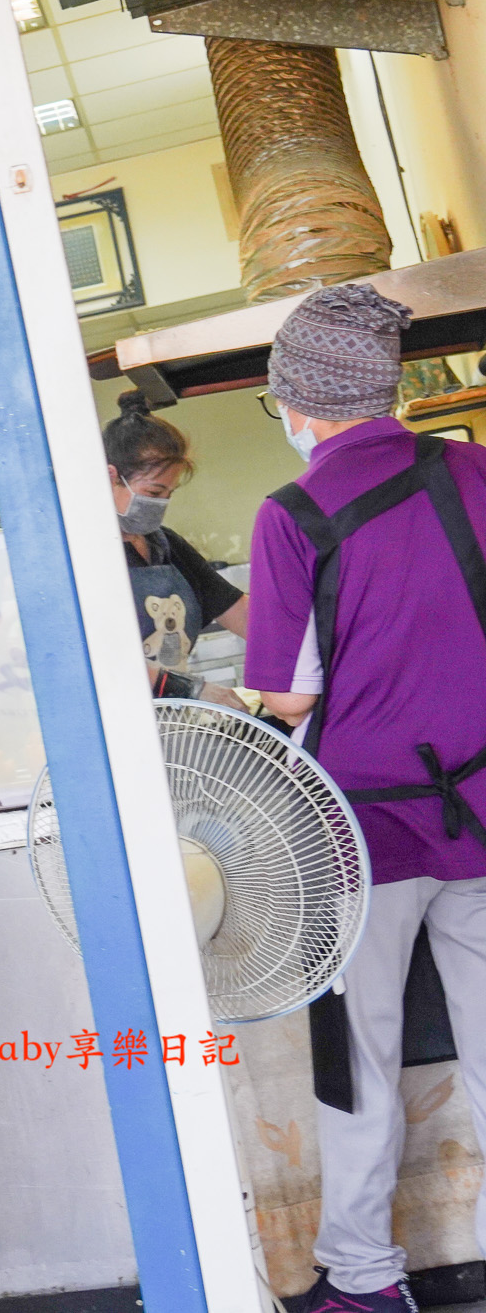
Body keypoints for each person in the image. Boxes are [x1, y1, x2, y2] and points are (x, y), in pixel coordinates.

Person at [243, 284, 486, 1313]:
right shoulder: (477, 470)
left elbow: (284, 692)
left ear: (297, 397)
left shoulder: (290, 514)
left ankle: (363, 1279)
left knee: (357, 1066)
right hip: (481, 813)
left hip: (359, 837)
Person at [103, 393, 250, 700]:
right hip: (120, 723)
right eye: (153, 492)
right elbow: (97, 658)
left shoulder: (165, 545)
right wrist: (189, 689)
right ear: (109, 477)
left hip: (174, 724)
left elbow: (241, 613)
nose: (161, 505)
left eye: (168, 494)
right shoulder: (83, 556)